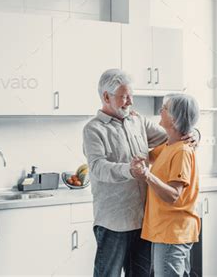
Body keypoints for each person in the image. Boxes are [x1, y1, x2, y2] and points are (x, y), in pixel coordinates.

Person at [82, 69, 199, 277]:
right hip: (114, 221)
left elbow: (173, 135)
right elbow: (98, 167)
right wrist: (129, 170)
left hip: (145, 221)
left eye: (131, 96)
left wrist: (193, 134)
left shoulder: (138, 121)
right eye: (124, 97)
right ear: (106, 97)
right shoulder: (93, 129)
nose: (130, 102)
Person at [130, 93, 201, 277]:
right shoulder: (170, 145)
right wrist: (134, 122)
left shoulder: (182, 151)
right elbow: (149, 156)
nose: (160, 111)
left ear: (175, 118)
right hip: (167, 230)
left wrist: (147, 176)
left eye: (165, 109)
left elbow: (173, 195)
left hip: (173, 231)